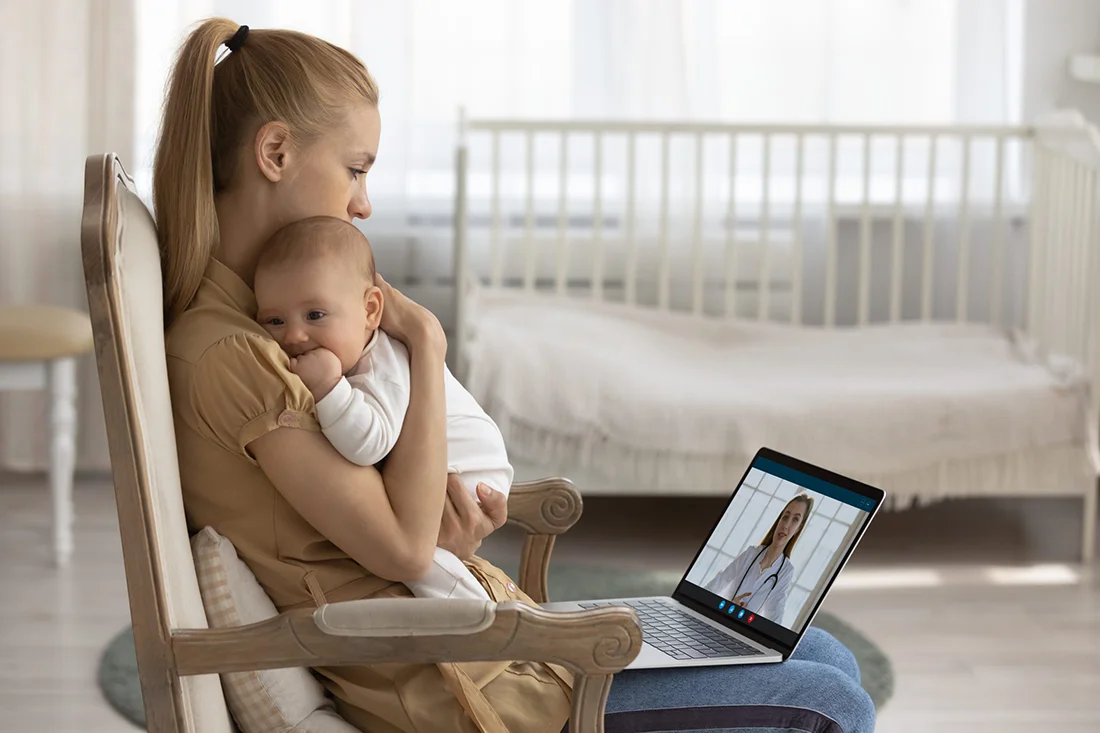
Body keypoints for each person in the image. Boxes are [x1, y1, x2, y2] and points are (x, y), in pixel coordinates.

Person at [158, 18, 876, 733]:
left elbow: (390, 518)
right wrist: (427, 346)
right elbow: (406, 547)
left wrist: (445, 525)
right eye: (356, 167)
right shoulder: (232, 353)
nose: (363, 203)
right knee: (833, 698)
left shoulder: (267, 328)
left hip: (487, 643)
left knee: (820, 654)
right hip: (466, 689)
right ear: (276, 151)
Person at [253, 215, 513, 602]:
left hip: (466, 472)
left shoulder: (382, 367)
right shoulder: (355, 355)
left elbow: (369, 444)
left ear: (371, 310)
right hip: (449, 465)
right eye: (274, 320)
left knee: (425, 566)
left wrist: (328, 388)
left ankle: (473, 609)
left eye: (315, 315)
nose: (293, 336)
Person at [705, 494, 814, 624]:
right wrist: (727, 606)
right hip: (719, 620)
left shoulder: (786, 571)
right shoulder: (751, 553)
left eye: (795, 520)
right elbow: (718, 583)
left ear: (799, 528)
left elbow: (775, 616)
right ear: (778, 520)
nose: (786, 525)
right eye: (785, 517)